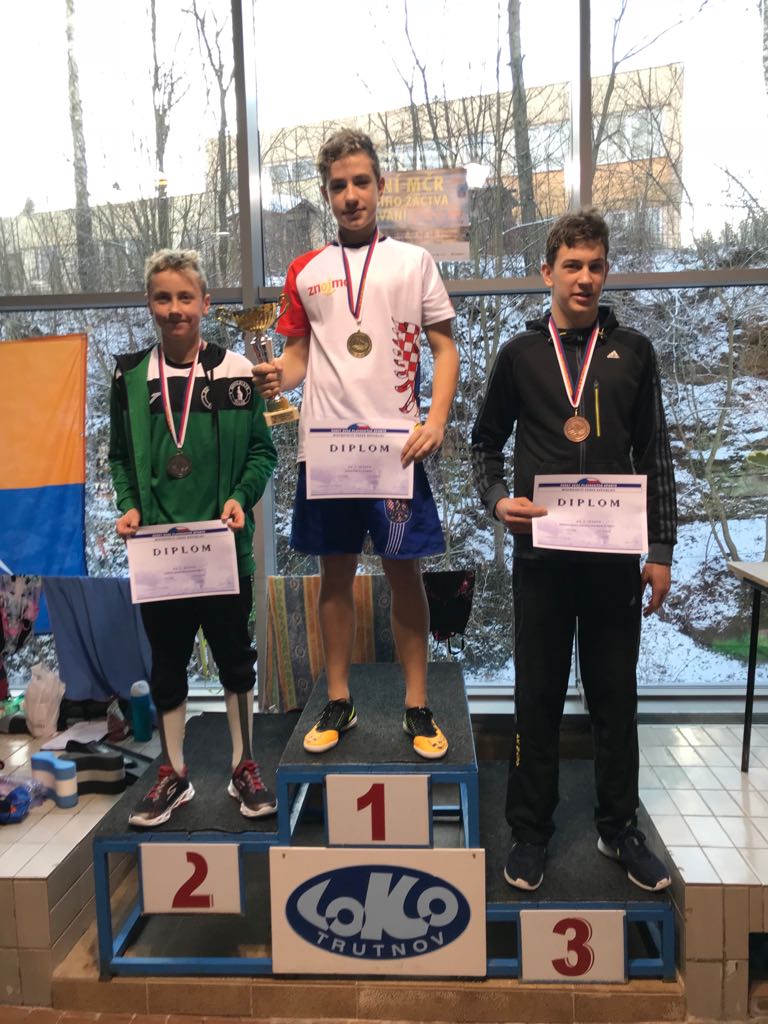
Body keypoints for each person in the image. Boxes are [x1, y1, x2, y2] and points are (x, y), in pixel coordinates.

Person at [471, 210, 677, 892]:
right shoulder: (519, 355)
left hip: (615, 561)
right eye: (572, 266)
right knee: (537, 698)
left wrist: (661, 547)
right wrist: (497, 500)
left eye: (595, 266)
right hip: (543, 560)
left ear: (606, 271)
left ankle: (619, 827)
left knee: (616, 699)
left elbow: (655, 454)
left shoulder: (635, 352)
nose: (584, 278)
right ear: (547, 273)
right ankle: (530, 831)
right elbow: (483, 444)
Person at [253, 129, 459, 759]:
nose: (351, 195)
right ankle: (338, 700)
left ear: (379, 185)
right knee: (334, 579)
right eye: (338, 185)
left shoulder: (414, 262)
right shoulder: (305, 271)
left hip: (396, 452)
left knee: (405, 577)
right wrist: (277, 376)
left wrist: (437, 420)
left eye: (361, 182)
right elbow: (297, 357)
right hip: (328, 453)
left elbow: (445, 347)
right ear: (326, 194)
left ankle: (417, 705)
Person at [109, 248, 278, 827]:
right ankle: (174, 772)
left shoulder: (235, 372)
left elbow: (262, 451)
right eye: (164, 298)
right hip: (159, 555)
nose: (175, 308)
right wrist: (129, 506)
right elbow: (119, 459)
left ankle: (243, 765)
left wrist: (241, 497)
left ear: (205, 303)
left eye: (186, 297)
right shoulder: (130, 376)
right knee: (167, 666)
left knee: (236, 662)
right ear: (149, 304)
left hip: (223, 551)